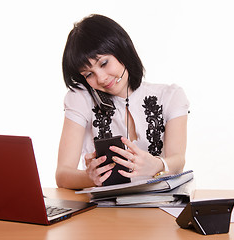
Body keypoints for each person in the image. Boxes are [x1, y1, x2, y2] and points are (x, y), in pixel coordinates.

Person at [56, 14, 189, 189]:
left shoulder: (170, 96)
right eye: (88, 74)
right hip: (104, 211)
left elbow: (178, 161)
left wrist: (157, 165)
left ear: (121, 49)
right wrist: (91, 178)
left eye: (103, 63)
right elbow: (62, 175)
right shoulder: (81, 99)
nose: (101, 78)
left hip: (158, 205)